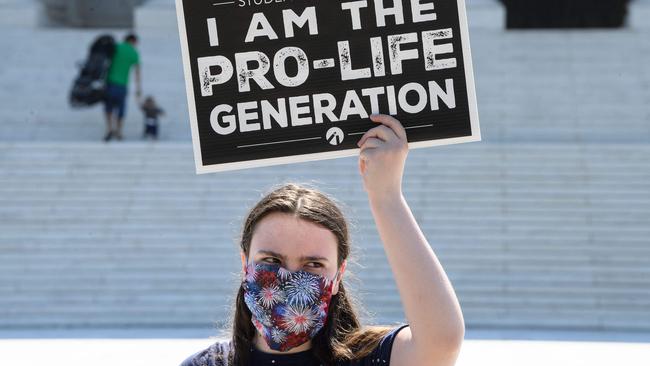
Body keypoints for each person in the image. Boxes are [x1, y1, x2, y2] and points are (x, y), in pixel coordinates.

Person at [180, 114, 465, 366]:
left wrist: (386, 196)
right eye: (271, 260)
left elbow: (441, 341)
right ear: (245, 263)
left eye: (313, 264)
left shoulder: (367, 359)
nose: (290, 279)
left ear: (338, 274)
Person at [103, 33, 141, 142]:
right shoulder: (133, 52)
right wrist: (138, 88)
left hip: (109, 83)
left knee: (108, 107)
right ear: (132, 41)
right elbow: (137, 71)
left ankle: (109, 129)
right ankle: (119, 131)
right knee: (121, 108)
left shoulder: (116, 47)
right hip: (122, 85)